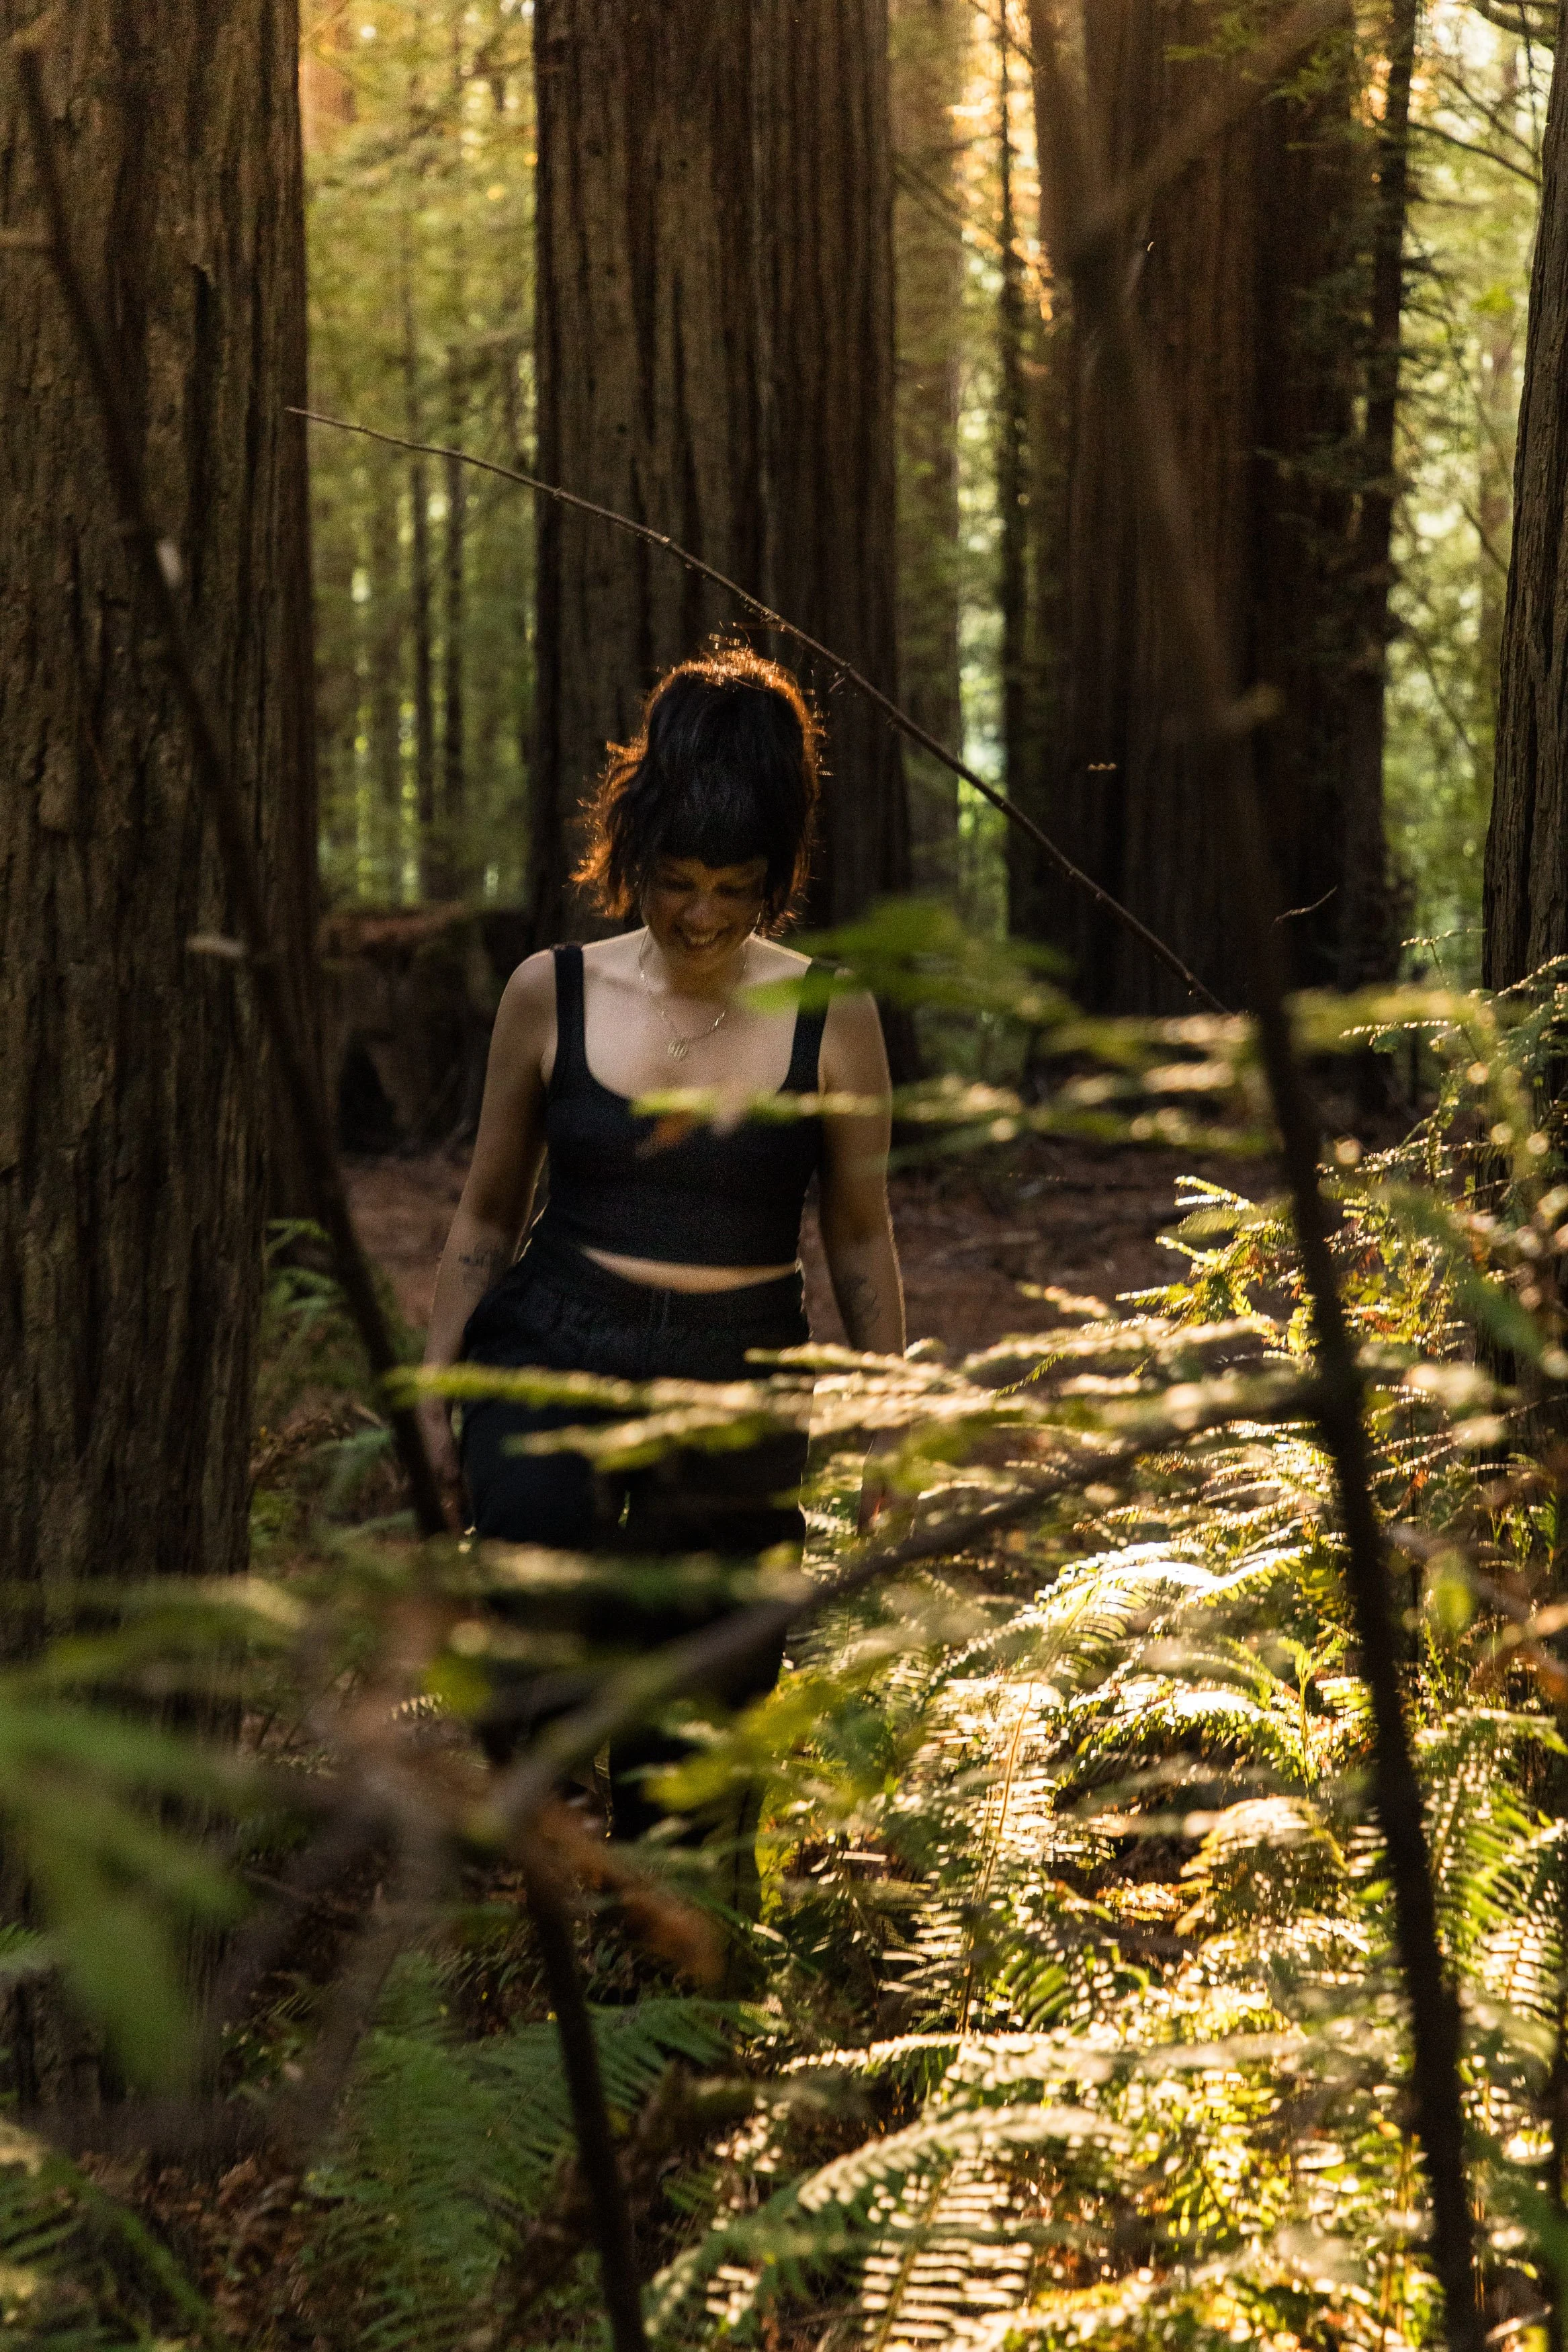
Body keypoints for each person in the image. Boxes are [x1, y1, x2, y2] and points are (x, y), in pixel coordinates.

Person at [418, 648, 905, 1850]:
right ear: (631, 858)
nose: (699, 916)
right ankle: (550, 1877)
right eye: (674, 882)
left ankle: (672, 1929)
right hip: (553, 1346)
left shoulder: (831, 1012)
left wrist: (890, 1418)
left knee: (702, 1730)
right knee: (531, 1665)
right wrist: (436, 1392)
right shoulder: (549, 993)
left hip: (741, 1374)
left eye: (733, 888)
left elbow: (859, 1234)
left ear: (776, 876)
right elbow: (486, 1215)